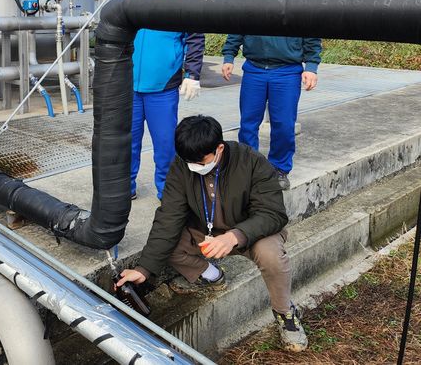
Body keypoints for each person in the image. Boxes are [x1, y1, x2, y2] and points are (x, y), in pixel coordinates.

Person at [116, 115, 308, 352]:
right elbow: (168, 218)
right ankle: (212, 276)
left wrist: (235, 236)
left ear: (219, 148)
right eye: (189, 162)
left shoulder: (252, 162)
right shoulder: (182, 165)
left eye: (200, 161)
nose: (194, 166)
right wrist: (143, 269)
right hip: (205, 231)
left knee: (272, 254)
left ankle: (285, 315)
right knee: (170, 244)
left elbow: (273, 214)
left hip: (248, 231)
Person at [221, 0, 322, 190]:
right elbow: (237, 25)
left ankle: (279, 168)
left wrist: (311, 66)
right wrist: (228, 56)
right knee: (248, 124)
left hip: (286, 71)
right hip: (254, 69)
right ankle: (247, 168)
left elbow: (312, 32)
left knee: (284, 125)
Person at [114, 0, 205, 200]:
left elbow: (195, 37)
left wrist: (192, 73)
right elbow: (109, 37)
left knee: (165, 146)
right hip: (128, 87)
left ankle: (167, 191)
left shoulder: (181, 0)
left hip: (163, 89)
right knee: (127, 143)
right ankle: (126, 188)